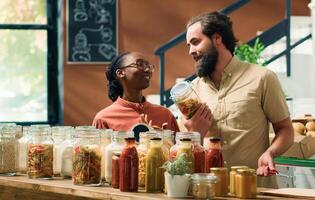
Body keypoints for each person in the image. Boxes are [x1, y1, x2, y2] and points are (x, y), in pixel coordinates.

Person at [184, 11, 294, 179]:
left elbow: (285, 129)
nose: (191, 51)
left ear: (217, 38)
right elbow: (186, 144)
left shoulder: (262, 78)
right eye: (189, 45)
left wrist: (270, 153)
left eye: (196, 42)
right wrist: (193, 134)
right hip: (209, 189)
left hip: (254, 189)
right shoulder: (193, 90)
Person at [93, 52, 179, 132]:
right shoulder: (103, 118)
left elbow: (180, 147)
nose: (147, 70)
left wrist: (161, 142)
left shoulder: (165, 115)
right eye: (140, 64)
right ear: (120, 73)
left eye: (149, 66)